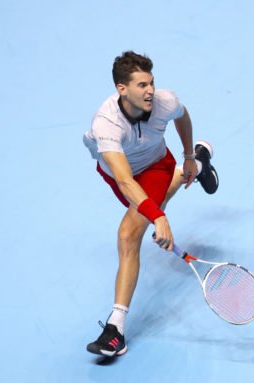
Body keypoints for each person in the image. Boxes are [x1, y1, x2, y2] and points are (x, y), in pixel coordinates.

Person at [82, 51, 219, 357]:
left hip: (157, 166)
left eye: (152, 82)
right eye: (142, 85)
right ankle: (199, 161)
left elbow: (182, 116)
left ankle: (115, 330)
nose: (150, 91)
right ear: (122, 89)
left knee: (129, 234)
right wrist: (159, 216)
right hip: (121, 175)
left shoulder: (164, 102)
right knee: (144, 211)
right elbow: (126, 182)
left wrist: (183, 152)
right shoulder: (106, 125)